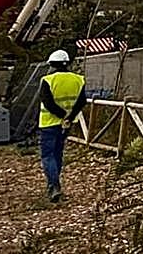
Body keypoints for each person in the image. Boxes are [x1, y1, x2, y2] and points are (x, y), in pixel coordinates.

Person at [39, 49, 86, 202]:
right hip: (66, 124)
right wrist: (69, 117)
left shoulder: (47, 80)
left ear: (52, 64)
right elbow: (81, 102)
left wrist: (61, 115)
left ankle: (53, 185)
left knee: (48, 156)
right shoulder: (78, 79)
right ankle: (53, 185)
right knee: (58, 153)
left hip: (48, 123)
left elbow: (48, 103)